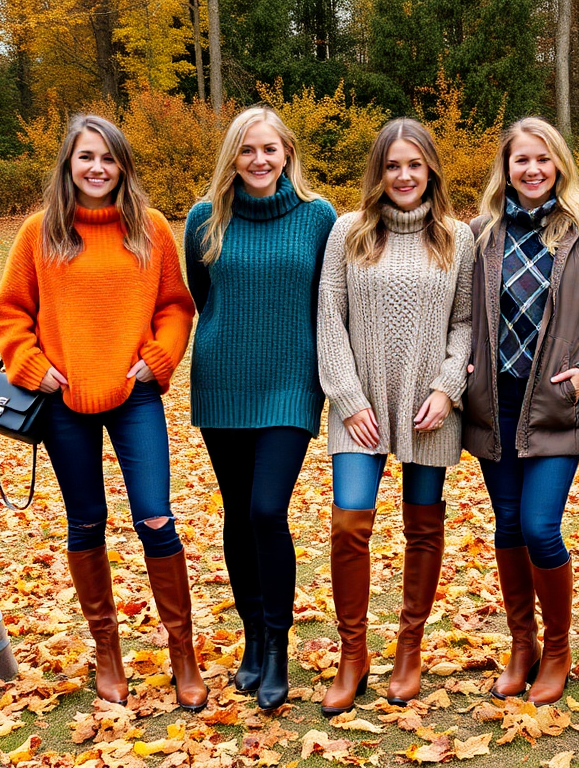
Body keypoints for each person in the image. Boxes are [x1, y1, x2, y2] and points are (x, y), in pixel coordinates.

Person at [0, 115, 205, 710]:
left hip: (134, 394)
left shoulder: (151, 229)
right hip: (63, 400)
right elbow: (10, 313)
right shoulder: (41, 232)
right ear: (68, 164)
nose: (97, 168)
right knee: (85, 521)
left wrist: (159, 358)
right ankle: (106, 653)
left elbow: (175, 305)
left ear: (123, 167)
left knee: (156, 517)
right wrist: (31, 367)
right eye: (86, 157)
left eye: (108, 158)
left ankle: (182, 653)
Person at [464, 116, 579, 706]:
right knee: (507, 526)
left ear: (559, 162)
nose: (532, 170)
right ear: (505, 169)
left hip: (559, 403)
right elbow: (461, 315)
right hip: (494, 404)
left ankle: (558, 648)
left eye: (543, 159)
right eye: (520, 161)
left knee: (540, 526)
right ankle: (522, 644)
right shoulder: (480, 234)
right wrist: (462, 363)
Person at [316, 118, 475, 714]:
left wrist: (447, 386)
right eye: (392, 165)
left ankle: (408, 650)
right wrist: (349, 399)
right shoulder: (348, 232)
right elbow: (329, 316)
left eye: (414, 164)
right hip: (360, 405)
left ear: (430, 168)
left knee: (422, 528)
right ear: (378, 173)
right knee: (350, 522)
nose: (403, 176)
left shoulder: (457, 237)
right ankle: (352, 653)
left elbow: (465, 324)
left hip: (429, 407)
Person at [184, 106, 337, 711]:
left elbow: (329, 297)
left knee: (267, 510)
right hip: (222, 380)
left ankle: (277, 649)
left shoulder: (317, 216)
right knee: (236, 513)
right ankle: (251, 641)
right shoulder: (205, 218)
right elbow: (204, 294)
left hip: (291, 382)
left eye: (270, 149)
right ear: (233, 156)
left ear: (287, 154)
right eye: (248, 150)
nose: (259, 160)